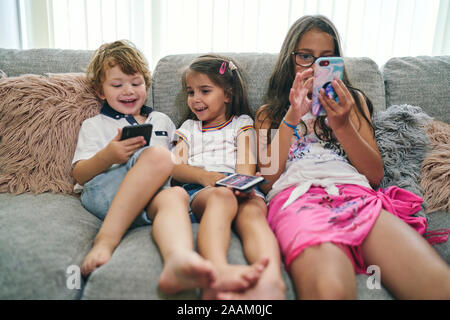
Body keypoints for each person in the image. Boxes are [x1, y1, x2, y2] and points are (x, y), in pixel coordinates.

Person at [254, 15, 450, 299]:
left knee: (437, 284)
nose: (314, 67)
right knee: (330, 288)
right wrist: (291, 115)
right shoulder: (267, 113)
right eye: (305, 57)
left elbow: (374, 175)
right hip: (296, 196)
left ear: (336, 63)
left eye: (325, 59)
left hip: (355, 194)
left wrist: (343, 125)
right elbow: (266, 181)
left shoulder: (352, 102)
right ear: (290, 59)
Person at [72, 40, 218, 295]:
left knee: (177, 194)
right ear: (100, 91)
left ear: (146, 86)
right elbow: (80, 174)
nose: (128, 91)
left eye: (136, 83)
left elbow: (178, 164)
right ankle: (105, 240)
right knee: (160, 158)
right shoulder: (94, 125)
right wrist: (108, 155)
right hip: (109, 190)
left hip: (150, 198)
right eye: (117, 85)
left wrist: (206, 176)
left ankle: (178, 260)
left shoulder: (161, 120)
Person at [172, 54, 286, 299]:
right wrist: (205, 177)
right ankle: (216, 271)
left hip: (238, 184)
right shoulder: (188, 129)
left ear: (227, 94)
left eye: (205, 90)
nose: (196, 99)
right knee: (221, 197)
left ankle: (271, 281)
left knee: (255, 210)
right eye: (191, 92)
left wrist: (242, 182)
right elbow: (174, 167)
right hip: (202, 188)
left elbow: (246, 158)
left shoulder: (241, 123)